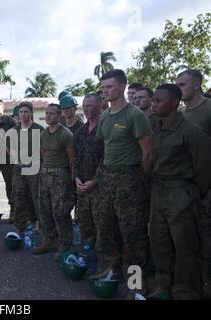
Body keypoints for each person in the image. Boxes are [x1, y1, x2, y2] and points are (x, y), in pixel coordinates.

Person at [91, 70, 152, 299]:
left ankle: (136, 283)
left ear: (122, 86)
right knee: (106, 230)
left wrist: (137, 180)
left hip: (129, 180)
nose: (104, 90)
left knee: (133, 235)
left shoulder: (135, 115)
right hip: (106, 178)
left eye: (109, 86)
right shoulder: (106, 116)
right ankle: (111, 273)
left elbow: (147, 154)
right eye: (103, 87)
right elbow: (104, 146)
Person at [148, 84, 211, 299]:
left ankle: (187, 292)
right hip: (158, 191)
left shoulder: (191, 131)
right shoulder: (155, 128)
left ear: (175, 102)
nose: (153, 104)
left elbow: (204, 169)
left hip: (180, 193)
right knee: (159, 242)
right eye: (153, 100)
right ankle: (163, 286)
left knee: (185, 248)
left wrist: (190, 193)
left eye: (159, 101)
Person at [176, 69, 211, 298]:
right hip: (183, 186)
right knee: (188, 241)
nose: (178, 88)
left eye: (183, 84)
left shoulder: (208, 109)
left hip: (206, 185)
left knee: (207, 239)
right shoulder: (179, 113)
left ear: (197, 85)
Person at [31, 103, 74, 261]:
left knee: (60, 211)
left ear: (59, 115)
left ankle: (65, 243)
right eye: (47, 113)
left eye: (52, 113)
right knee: (44, 209)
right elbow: (44, 153)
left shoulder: (65, 134)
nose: (49, 116)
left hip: (60, 176)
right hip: (45, 174)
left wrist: (69, 178)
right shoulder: (43, 133)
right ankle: (48, 240)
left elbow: (72, 159)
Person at [72, 93, 104, 255]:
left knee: (102, 225)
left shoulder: (105, 129)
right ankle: (88, 252)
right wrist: (76, 178)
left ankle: (104, 260)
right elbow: (75, 158)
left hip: (100, 188)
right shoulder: (80, 131)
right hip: (82, 186)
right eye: (84, 106)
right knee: (84, 222)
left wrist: (95, 181)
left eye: (89, 105)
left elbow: (106, 159)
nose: (86, 109)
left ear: (99, 106)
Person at [10, 101, 44, 234]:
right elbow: (10, 148)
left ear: (31, 113)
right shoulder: (14, 131)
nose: (23, 115)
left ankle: (39, 224)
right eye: (21, 112)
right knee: (19, 197)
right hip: (19, 168)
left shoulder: (39, 129)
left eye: (26, 112)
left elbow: (43, 149)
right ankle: (19, 226)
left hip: (35, 167)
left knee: (36, 197)